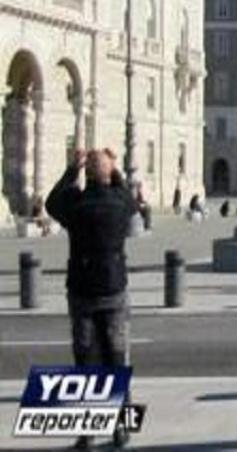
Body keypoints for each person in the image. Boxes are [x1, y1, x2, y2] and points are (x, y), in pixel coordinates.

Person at [45, 148, 137, 450]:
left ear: (88, 174)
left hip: (82, 291)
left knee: (86, 362)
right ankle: (121, 430)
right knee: (116, 359)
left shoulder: (76, 203)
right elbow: (132, 200)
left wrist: (72, 170)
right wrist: (116, 170)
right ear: (109, 175)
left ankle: (86, 433)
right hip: (114, 290)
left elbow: (51, 202)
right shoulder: (120, 202)